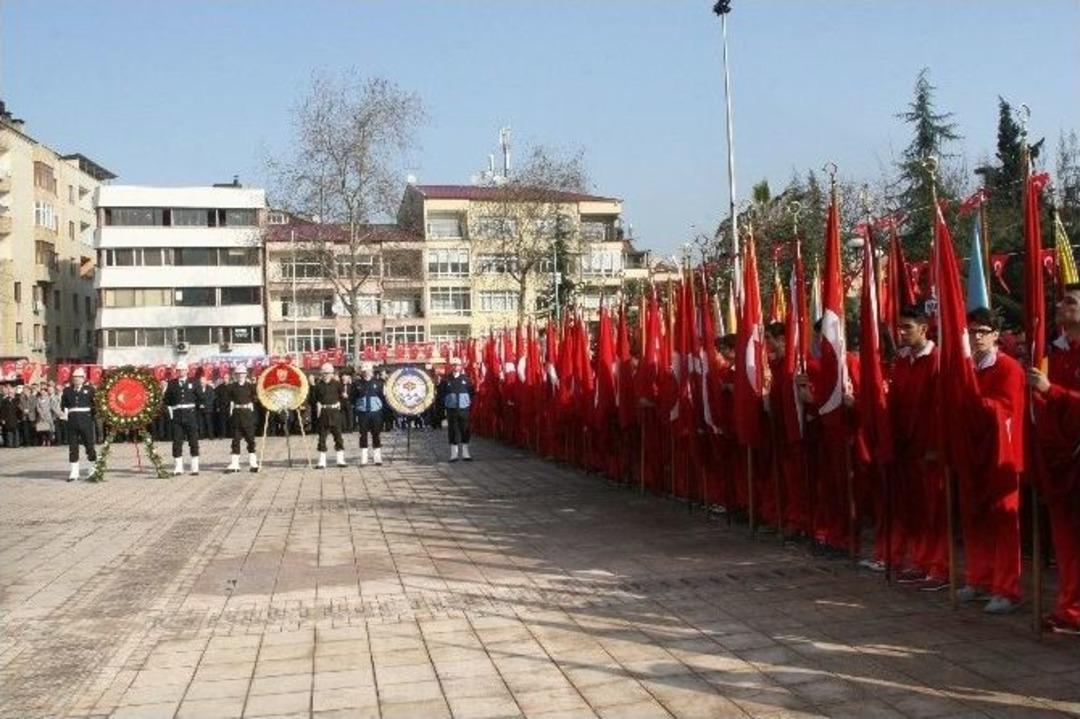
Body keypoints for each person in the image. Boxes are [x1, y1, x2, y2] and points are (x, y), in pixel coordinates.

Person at [959, 308, 1025, 614]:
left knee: (1004, 522)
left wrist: (973, 397)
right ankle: (979, 577)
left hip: (1002, 455)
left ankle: (1006, 588)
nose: (977, 337)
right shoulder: (967, 368)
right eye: (972, 332)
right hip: (973, 452)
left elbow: (1005, 410)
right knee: (975, 518)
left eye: (983, 331)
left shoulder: (1009, 368)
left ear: (996, 335)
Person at [1028, 283, 1080, 635]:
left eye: (1071, 301)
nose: (1062, 306)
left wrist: (1052, 391)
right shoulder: (1055, 351)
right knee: (1066, 539)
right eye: (1062, 300)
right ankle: (1070, 607)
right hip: (1060, 457)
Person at [888, 305, 949, 590]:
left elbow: (940, 407)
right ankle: (921, 561)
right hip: (906, 447)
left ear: (924, 329)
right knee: (914, 508)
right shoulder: (901, 361)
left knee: (935, 509)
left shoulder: (937, 360)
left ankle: (939, 567)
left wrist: (936, 444)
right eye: (899, 327)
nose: (901, 333)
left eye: (907, 328)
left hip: (929, 448)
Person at [164, 362, 204, 476]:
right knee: (177, 442)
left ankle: (195, 467)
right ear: (176, 372)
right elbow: (167, 400)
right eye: (179, 370)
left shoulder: (194, 382)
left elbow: (200, 397)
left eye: (183, 370)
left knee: (193, 441)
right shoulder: (172, 384)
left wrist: (199, 409)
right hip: (177, 415)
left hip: (190, 415)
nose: (181, 372)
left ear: (187, 371)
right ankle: (178, 467)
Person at [61, 368, 97, 481]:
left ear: (83, 378)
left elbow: (95, 405)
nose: (76, 379)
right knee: (73, 448)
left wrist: (91, 417)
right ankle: (74, 473)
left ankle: (93, 470)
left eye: (79, 377)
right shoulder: (67, 390)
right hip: (72, 422)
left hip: (86, 420)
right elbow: (64, 405)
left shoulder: (90, 390)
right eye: (74, 377)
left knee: (89, 445)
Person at [224, 365, 259, 473]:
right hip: (237, 415)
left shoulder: (251, 386)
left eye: (242, 374)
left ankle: (253, 463)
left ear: (245, 374)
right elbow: (227, 400)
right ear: (235, 375)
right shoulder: (231, 387)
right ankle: (235, 464)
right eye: (238, 374)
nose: (240, 376)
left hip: (248, 414)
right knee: (235, 439)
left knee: (250, 439)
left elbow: (256, 399)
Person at [312, 363, 347, 468]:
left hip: (335, 413)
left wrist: (341, 403)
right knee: (322, 437)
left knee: (338, 437)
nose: (326, 375)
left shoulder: (337, 384)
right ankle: (322, 462)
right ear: (321, 373)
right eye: (324, 373)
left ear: (332, 373)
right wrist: (317, 404)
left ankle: (340, 460)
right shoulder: (318, 386)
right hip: (323, 413)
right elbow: (313, 399)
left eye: (328, 373)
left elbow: (343, 397)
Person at [440, 357, 474, 462]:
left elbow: (471, 393)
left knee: (465, 430)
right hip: (451, 410)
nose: (456, 367)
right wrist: (445, 406)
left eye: (458, 365)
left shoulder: (466, 379)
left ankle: (465, 453)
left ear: (461, 366)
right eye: (454, 365)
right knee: (453, 431)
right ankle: (453, 454)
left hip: (464, 409)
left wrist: (467, 404)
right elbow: (441, 394)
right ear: (451, 366)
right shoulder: (446, 380)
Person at [351, 362, 385, 466]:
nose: (366, 373)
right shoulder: (357, 384)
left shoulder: (379, 383)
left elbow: (383, 398)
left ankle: (377, 458)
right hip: (362, 413)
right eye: (364, 371)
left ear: (372, 371)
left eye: (368, 371)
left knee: (376, 434)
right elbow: (352, 398)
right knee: (363, 435)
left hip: (376, 413)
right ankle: (364, 458)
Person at [199, 372, 216, 439]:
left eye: (203, 381)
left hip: (208, 408)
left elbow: (212, 398)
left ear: (206, 381)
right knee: (201, 423)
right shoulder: (197, 389)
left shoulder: (210, 389)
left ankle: (210, 436)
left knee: (209, 423)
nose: (202, 382)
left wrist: (205, 405)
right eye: (201, 381)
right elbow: (195, 398)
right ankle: (201, 436)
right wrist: (199, 404)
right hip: (200, 408)